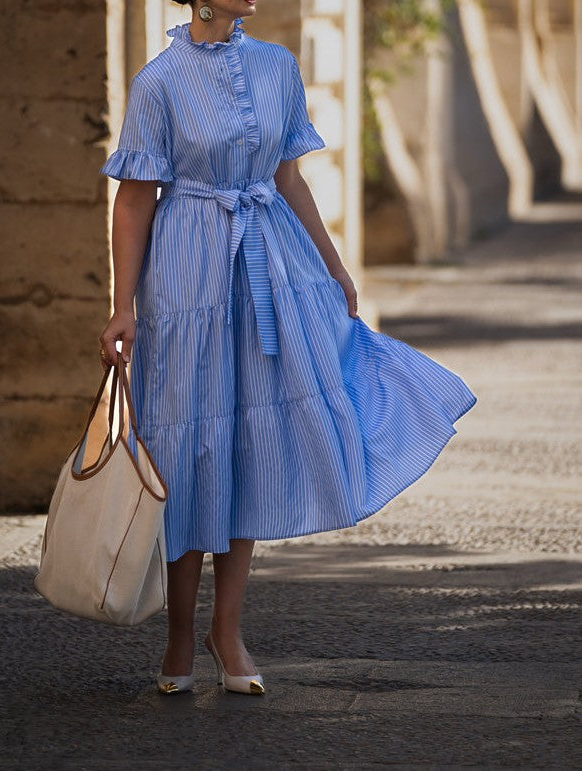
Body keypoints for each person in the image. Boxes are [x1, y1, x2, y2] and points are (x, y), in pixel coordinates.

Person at [98, 0, 477, 696]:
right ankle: (180, 633)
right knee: (185, 447)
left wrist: (334, 267)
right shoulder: (158, 81)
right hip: (185, 277)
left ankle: (227, 630)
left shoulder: (278, 67)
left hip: (270, 265)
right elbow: (134, 198)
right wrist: (122, 306)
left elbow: (289, 178)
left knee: (249, 443)